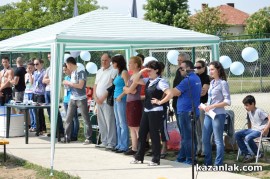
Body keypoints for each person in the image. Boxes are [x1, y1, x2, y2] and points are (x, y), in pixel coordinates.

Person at [151, 60, 201, 165]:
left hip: (186, 111)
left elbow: (173, 93)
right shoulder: (196, 78)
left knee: (187, 137)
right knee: (188, 136)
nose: (180, 70)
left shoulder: (187, 80)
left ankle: (190, 159)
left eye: (181, 68)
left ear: (187, 69)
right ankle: (182, 157)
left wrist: (160, 99)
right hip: (192, 111)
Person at [130, 61, 169, 166]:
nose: (148, 72)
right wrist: (142, 70)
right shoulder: (148, 80)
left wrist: (160, 102)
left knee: (154, 134)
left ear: (157, 70)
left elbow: (170, 93)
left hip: (156, 111)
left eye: (150, 70)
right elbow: (134, 79)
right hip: (147, 110)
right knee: (142, 133)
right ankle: (139, 157)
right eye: (147, 69)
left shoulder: (161, 81)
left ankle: (156, 159)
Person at [199, 61, 231, 166]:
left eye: (212, 69)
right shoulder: (211, 83)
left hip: (218, 115)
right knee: (205, 139)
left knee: (218, 140)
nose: (210, 71)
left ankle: (218, 164)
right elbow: (211, 99)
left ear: (218, 70)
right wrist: (205, 105)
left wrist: (212, 106)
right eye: (210, 69)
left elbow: (227, 101)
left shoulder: (223, 83)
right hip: (209, 114)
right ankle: (207, 163)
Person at [62, 57, 92, 144]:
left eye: (67, 65)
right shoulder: (72, 73)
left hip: (81, 99)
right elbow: (72, 85)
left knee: (85, 118)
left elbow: (80, 85)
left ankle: (88, 138)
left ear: (70, 64)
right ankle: (67, 136)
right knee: (68, 118)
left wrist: (68, 83)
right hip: (72, 98)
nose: (67, 67)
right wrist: (67, 85)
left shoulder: (81, 72)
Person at [235, 95, 270, 163]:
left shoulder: (259, 111)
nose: (245, 107)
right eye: (244, 105)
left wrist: (266, 128)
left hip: (260, 130)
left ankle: (259, 154)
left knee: (248, 137)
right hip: (253, 130)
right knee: (237, 134)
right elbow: (249, 122)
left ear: (253, 104)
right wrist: (249, 130)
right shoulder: (249, 112)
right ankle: (247, 154)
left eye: (247, 105)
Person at [93, 53, 117, 149]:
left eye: (106, 60)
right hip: (98, 100)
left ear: (110, 60)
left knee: (109, 121)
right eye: (102, 60)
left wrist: (103, 97)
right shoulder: (99, 71)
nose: (104, 62)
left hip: (106, 100)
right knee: (101, 121)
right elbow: (95, 85)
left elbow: (111, 86)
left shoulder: (113, 70)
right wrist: (95, 97)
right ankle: (104, 141)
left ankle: (111, 142)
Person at [123, 56, 143, 155]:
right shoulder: (132, 75)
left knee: (137, 127)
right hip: (129, 102)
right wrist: (127, 89)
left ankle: (140, 148)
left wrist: (127, 89)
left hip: (135, 103)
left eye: (130, 63)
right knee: (131, 126)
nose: (129, 64)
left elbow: (131, 90)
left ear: (136, 65)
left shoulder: (137, 76)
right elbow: (128, 89)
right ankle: (134, 148)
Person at [42, 53, 64, 137]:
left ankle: (60, 131)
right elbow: (43, 80)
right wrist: (49, 80)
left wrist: (49, 80)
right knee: (49, 112)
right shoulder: (48, 69)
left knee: (55, 111)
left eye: (51, 57)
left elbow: (56, 79)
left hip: (54, 91)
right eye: (48, 57)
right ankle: (53, 130)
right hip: (47, 91)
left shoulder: (58, 67)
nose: (49, 58)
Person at [111, 55, 129, 153]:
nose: (112, 64)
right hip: (116, 98)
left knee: (122, 123)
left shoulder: (124, 72)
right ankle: (119, 144)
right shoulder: (118, 73)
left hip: (121, 99)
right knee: (118, 123)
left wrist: (121, 96)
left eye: (114, 62)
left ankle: (124, 145)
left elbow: (127, 86)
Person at [195, 60, 210, 157]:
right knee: (197, 129)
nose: (196, 69)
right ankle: (199, 147)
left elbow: (203, 92)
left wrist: (193, 90)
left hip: (202, 105)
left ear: (204, 68)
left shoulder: (206, 78)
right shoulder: (194, 77)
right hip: (194, 105)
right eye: (195, 67)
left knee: (203, 127)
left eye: (199, 67)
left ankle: (204, 148)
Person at [172, 53, 190, 132]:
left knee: (186, 130)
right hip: (176, 103)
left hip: (184, 106)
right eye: (178, 60)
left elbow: (181, 90)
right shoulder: (178, 71)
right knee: (181, 129)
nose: (179, 62)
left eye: (181, 60)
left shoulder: (189, 74)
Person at [62, 63, 79, 141]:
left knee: (74, 117)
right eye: (63, 70)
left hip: (72, 99)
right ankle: (69, 134)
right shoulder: (66, 77)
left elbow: (76, 87)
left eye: (65, 70)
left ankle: (74, 135)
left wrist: (69, 84)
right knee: (68, 118)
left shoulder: (74, 76)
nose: (64, 72)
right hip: (66, 99)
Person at [32, 58, 47, 134]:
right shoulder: (34, 73)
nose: (35, 65)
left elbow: (44, 82)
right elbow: (34, 82)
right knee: (35, 112)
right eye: (34, 64)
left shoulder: (44, 72)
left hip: (41, 94)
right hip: (35, 93)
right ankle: (39, 127)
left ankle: (41, 128)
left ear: (41, 64)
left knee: (39, 111)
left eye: (37, 64)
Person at [25, 61, 36, 132]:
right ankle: (32, 125)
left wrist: (30, 74)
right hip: (27, 92)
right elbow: (26, 84)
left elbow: (32, 83)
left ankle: (35, 125)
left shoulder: (34, 75)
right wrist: (28, 74)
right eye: (28, 68)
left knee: (33, 110)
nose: (29, 69)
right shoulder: (26, 75)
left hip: (32, 92)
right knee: (29, 110)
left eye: (31, 68)